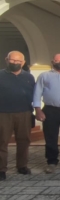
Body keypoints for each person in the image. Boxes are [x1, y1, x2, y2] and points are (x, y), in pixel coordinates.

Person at [0, 51, 35, 180]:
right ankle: (1, 169)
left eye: (18, 61)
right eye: (12, 60)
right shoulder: (0, 75)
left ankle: (22, 166)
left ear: (23, 62)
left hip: (24, 113)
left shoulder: (29, 77)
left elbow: (34, 94)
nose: (15, 63)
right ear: (7, 60)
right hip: (3, 113)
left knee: (24, 141)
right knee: (2, 142)